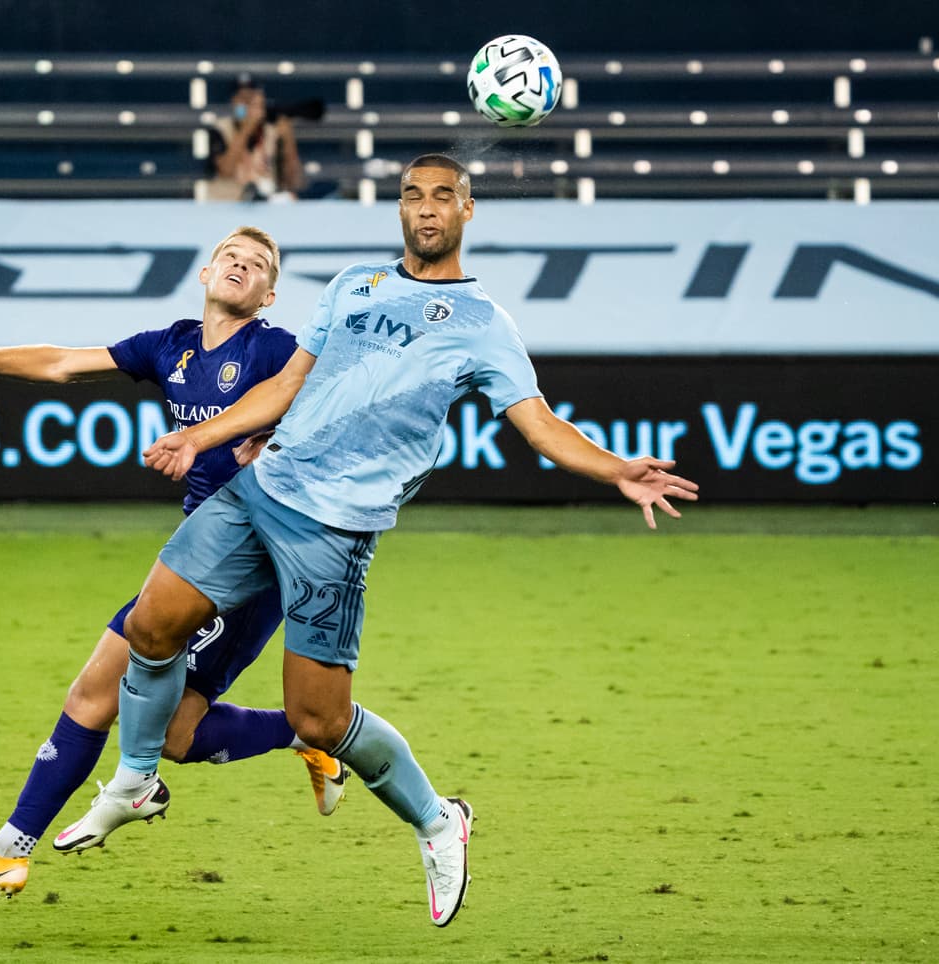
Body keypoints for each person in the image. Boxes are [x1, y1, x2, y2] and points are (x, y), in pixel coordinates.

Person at [92, 154, 701, 927]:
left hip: (335, 529)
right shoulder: (356, 284)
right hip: (261, 488)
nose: (425, 209)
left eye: (443, 196)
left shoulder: (485, 324)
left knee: (318, 720)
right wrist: (198, 439)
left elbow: (538, 422)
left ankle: (439, 820)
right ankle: (138, 777)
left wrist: (618, 469)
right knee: (151, 624)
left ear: (467, 211)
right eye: (413, 195)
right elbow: (285, 388)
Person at [0, 226, 349, 897]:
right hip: (196, 554)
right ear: (206, 273)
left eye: (258, 265)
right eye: (232, 256)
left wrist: (271, 439)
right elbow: (62, 363)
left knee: (135, 707)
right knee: (147, 719)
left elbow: (326, 406)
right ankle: (7, 851)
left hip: (249, 568)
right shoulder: (168, 346)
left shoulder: (275, 349)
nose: (242, 265)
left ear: (268, 295)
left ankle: (10, 847)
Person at [203, 76, 305, 202]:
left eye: (252, 100)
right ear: (233, 101)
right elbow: (226, 170)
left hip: (264, 204)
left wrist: (288, 140)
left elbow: (293, 181)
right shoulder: (220, 128)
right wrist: (247, 127)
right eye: (243, 99)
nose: (247, 105)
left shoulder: (272, 132)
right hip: (227, 203)